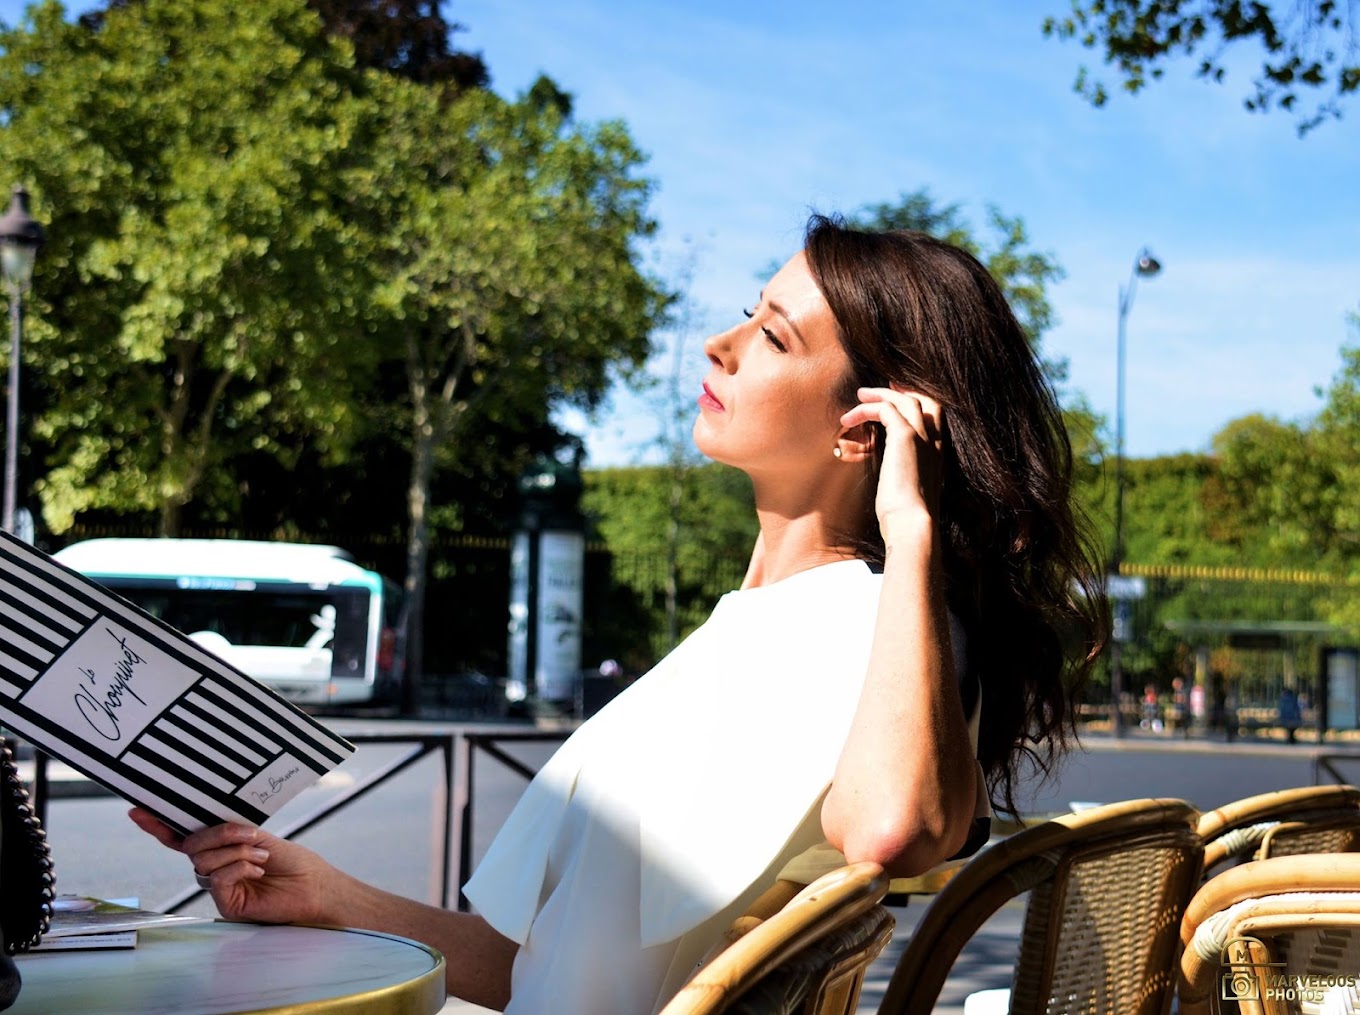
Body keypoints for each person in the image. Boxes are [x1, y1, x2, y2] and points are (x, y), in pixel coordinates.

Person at [130, 216, 1107, 1014]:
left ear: (867, 427)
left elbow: (892, 828)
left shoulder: (861, 622)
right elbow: (542, 970)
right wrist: (323, 894)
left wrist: (913, 528)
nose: (719, 345)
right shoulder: (757, 627)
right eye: (743, 315)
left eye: (772, 335)